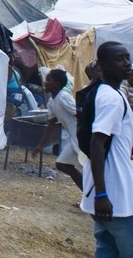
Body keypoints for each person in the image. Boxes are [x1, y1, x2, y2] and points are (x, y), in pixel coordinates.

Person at [79, 41, 133, 257]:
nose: (127, 63)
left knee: (106, 249)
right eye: (119, 59)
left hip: (106, 194)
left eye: (127, 57)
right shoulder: (111, 98)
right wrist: (102, 194)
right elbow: (97, 143)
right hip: (114, 195)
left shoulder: (106, 92)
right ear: (103, 66)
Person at [32, 69, 82, 190]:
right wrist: (41, 145)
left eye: (49, 80)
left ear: (58, 83)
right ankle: (88, 194)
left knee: (88, 169)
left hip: (81, 137)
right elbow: (51, 124)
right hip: (74, 138)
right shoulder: (51, 102)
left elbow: (80, 114)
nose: (45, 82)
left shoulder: (63, 97)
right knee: (62, 164)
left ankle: (91, 199)